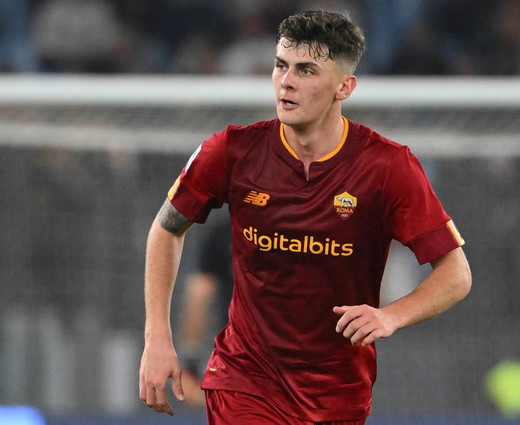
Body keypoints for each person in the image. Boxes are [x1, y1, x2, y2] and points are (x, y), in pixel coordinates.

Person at [139, 10, 472, 424]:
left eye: (306, 70)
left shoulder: (388, 167)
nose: (287, 81)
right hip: (245, 384)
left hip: (339, 393)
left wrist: (391, 315)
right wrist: (157, 337)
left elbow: (456, 273)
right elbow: (166, 229)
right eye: (281, 65)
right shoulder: (231, 151)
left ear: (344, 87)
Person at [177, 216, 233, 408]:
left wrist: (191, 365)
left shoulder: (226, 233)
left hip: (239, 359)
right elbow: (199, 294)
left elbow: (198, 294)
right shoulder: (301, 230)